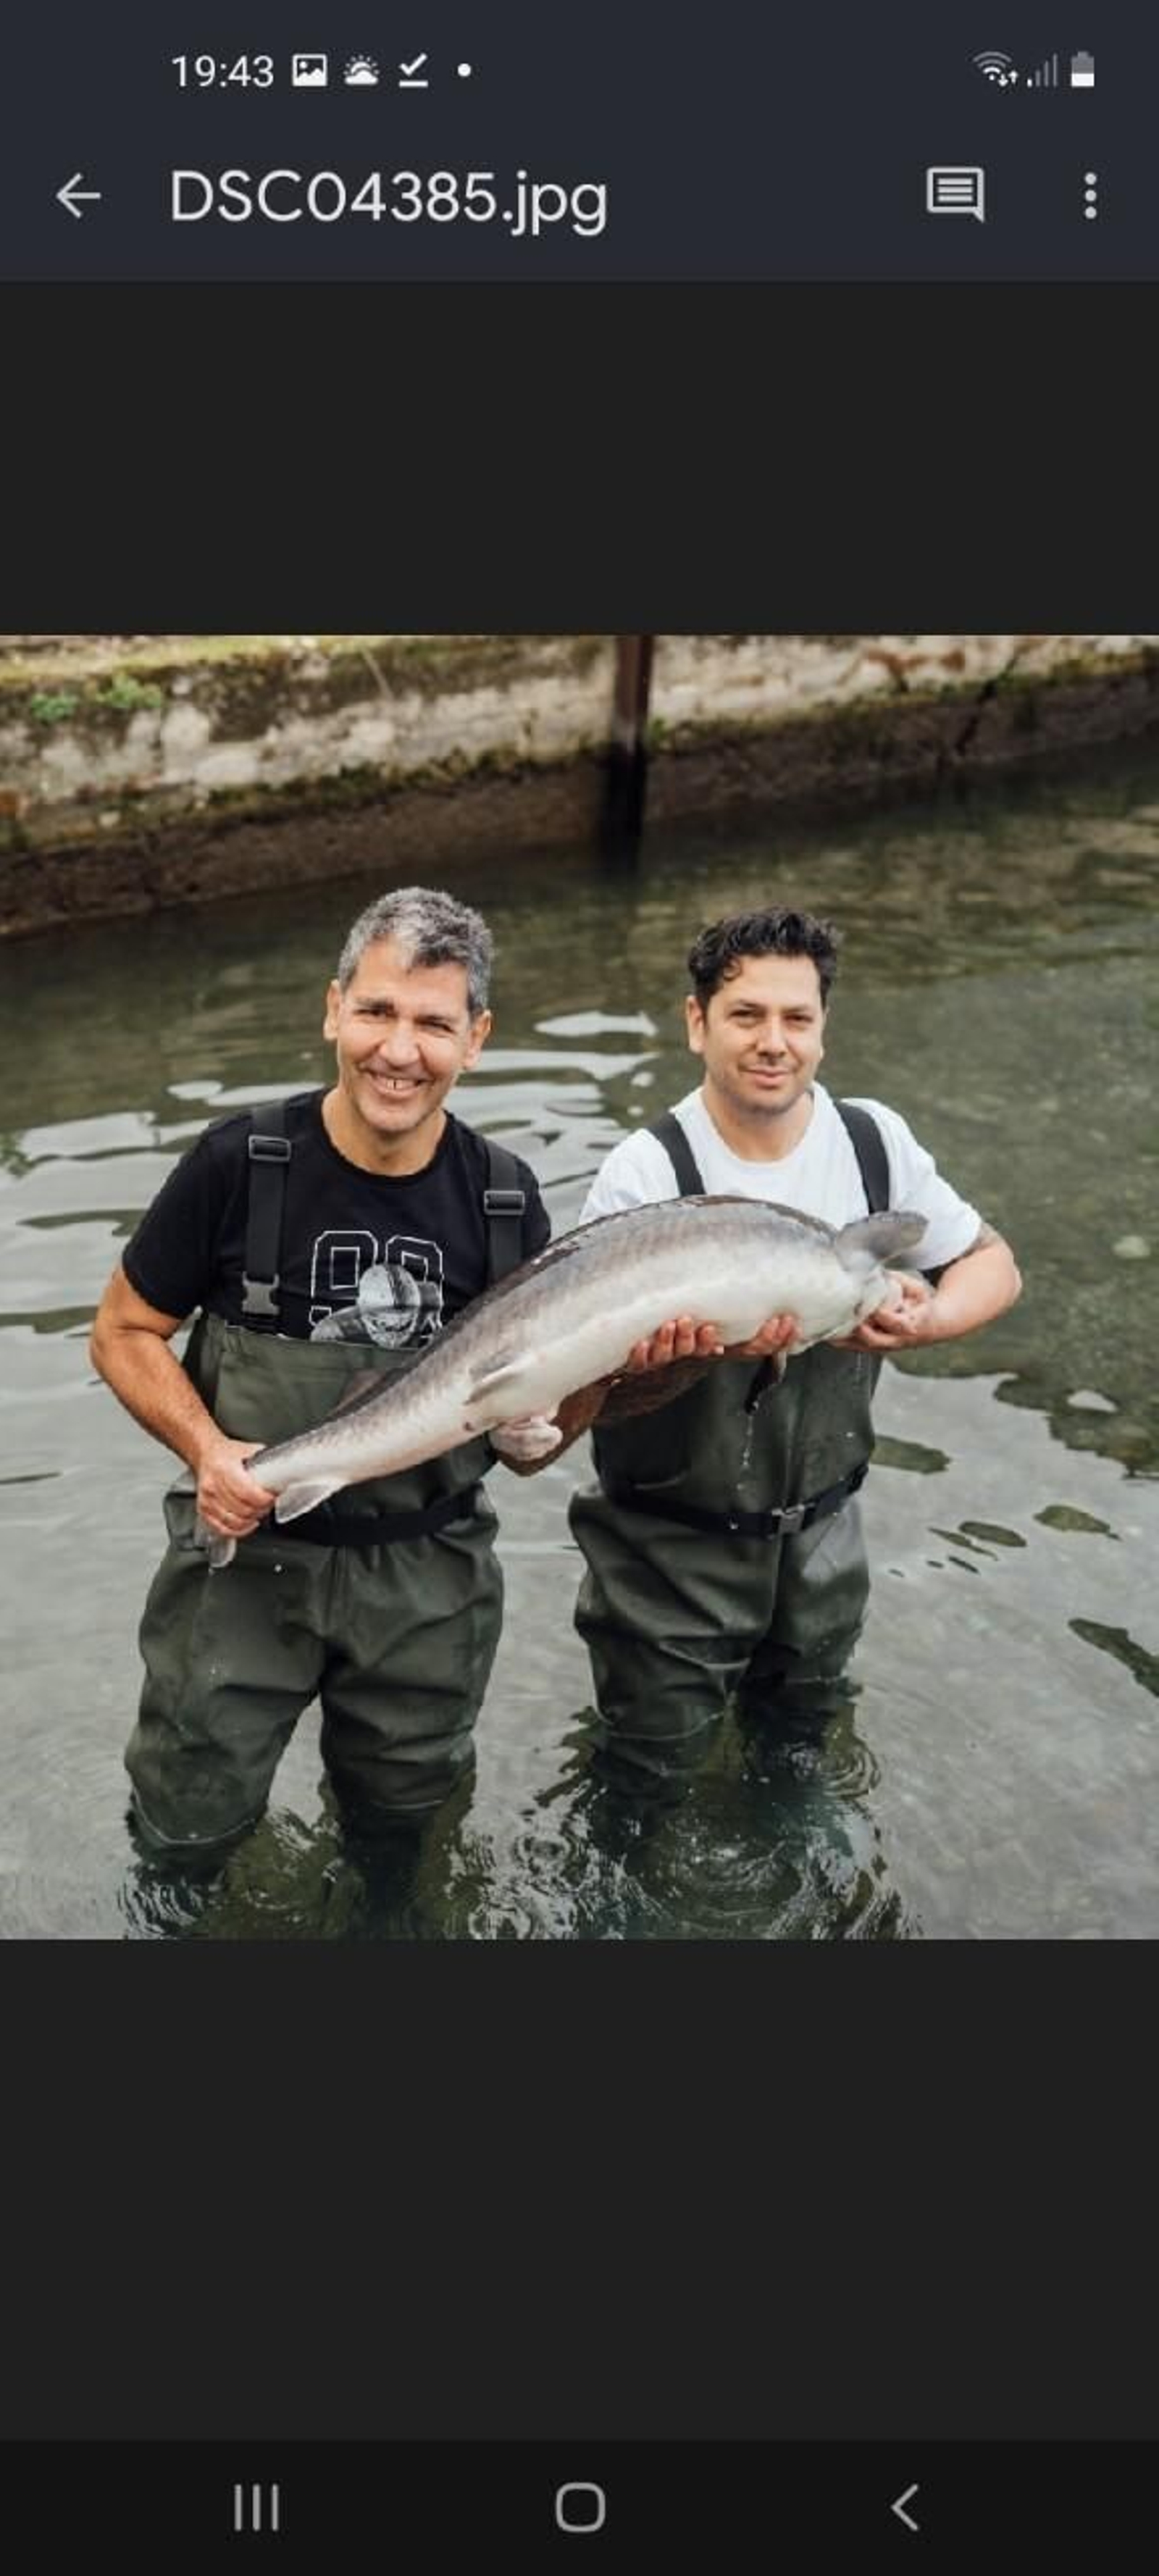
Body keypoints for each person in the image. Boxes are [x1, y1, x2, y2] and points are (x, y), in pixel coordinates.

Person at [89, 885, 555, 1862]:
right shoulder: (238, 1163)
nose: (398, 1049)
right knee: (185, 1826)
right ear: (333, 1007)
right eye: (378, 1010)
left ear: (476, 1039)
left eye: (433, 1022)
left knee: (404, 1834)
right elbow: (122, 1332)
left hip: (428, 1579)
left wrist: (564, 1414)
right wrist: (208, 1451)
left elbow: (530, 1443)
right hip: (241, 1565)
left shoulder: (508, 1202)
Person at [544, 905, 1021, 1791]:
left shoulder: (872, 1143)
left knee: (802, 1753)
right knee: (648, 1774)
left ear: (822, 1031)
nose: (774, 1042)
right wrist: (681, 1358)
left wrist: (928, 1320)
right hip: (668, 1552)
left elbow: (992, 1263)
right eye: (746, 1015)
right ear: (697, 1023)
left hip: (826, 1537)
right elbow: (577, 1406)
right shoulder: (646, 1174)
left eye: (796, 1019)